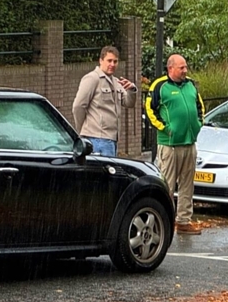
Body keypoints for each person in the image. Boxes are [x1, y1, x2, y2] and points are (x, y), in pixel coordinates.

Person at [145, 54, 205, 235]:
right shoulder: (159, 86)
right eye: (181, 68)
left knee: (187, 184)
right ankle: (164, 221)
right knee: (167, 185)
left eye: (186, 67)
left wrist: (198, 125)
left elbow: (200, 107)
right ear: (170, 68)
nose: (185, 70)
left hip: (189, 143)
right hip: (169, 145)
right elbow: (150, 109)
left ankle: (184, 220)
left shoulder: (190, 85)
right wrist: (166, 129)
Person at [72, 46, 138, 157]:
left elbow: (128, 103)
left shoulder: (116, 81)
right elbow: (78, 106)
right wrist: (82, 130)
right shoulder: (92, 78)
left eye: (115, 61)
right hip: (96, 139)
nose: (112, 64)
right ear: (101, 60)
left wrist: (132, 89)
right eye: (109, 60)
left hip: (112, 139)